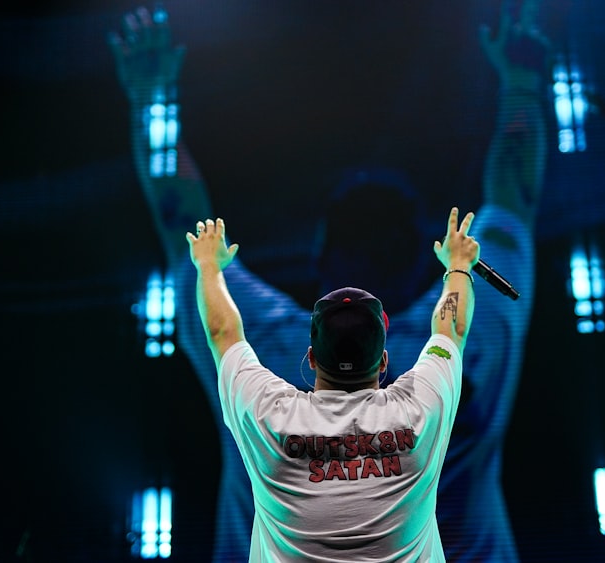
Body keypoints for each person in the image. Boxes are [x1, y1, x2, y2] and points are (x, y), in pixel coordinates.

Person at [110, 2, 547, 560]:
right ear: (385, 361)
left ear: (310, 359)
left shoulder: (268, 362)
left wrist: (153, 94)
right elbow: (513, 200)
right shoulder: (452, 369)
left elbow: (182, 230)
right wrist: (522, 83)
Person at [185, 208, 477, 561]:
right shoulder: (420, 406)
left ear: (311, 357)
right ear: (384, 362)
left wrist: (207, 266)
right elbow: (451, 329)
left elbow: (223, 332)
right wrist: (458, 265)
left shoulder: (269, 412)